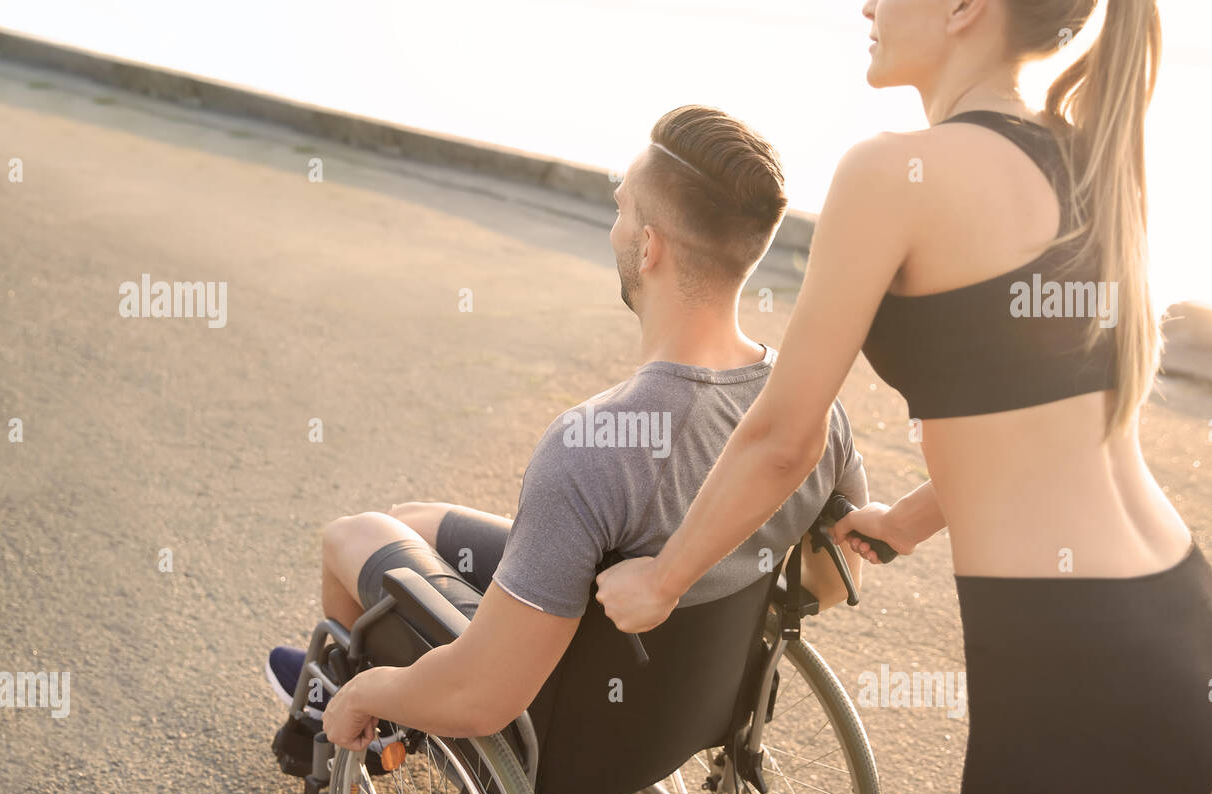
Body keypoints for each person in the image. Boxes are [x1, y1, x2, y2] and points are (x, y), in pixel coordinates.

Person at [594, 0, 1212, 794]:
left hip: (1077, 680)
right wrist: (906, 520)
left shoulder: (893, 172)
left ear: (965, 8)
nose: (866, 5)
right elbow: (1043, 406)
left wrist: (664, 580)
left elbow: (781, 439)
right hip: (1185, 627)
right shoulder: (1078, 152)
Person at [266, 105, 869, 754]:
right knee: (413, 520)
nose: (615, 229)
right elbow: (833, 584)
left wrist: (371, 691)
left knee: (350, 535)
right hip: (680, 715)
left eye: (621, 210)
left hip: (561, 733)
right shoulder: (813, 414)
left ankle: (330, 715)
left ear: (649, 245)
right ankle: (346, 689)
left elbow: (482, 697)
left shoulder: (590, 447)